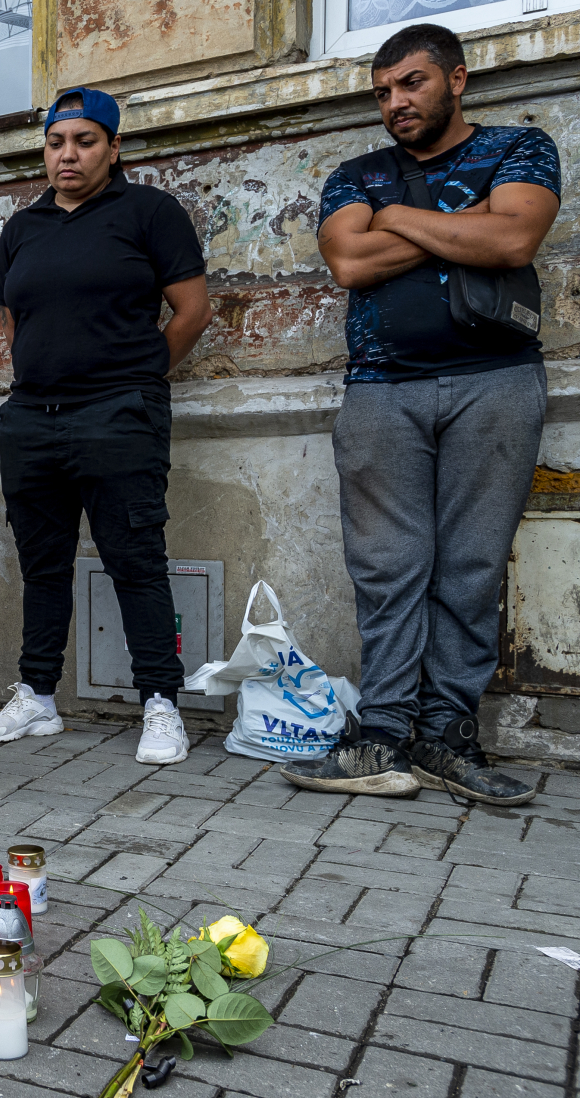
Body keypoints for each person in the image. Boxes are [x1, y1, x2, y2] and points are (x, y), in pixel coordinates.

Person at [291, 24, 557, 806]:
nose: (395, 103)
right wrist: (457, 221)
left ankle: (446, 736)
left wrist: (396, 218)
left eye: (411, 83)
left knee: (472, 566)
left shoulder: (518, 150)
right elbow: (349, 260)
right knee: (387, 568)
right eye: (383, 92)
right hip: (381, 388)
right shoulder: (357, 174)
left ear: (457, 79)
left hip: (495, 380)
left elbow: (513, 237)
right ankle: (380, 733)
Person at [0, 88, 213, 766]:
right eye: (56, 143)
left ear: (113, 147)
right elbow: (14, 321)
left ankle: (160, 703)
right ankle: (37, 695)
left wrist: (138, 377)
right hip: (32, 418)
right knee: (42, 564)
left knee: (134, 560)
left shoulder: (149, 213)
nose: (68, 155)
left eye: (84, 141)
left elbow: (192, 311)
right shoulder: (22, 228)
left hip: (119, 415)